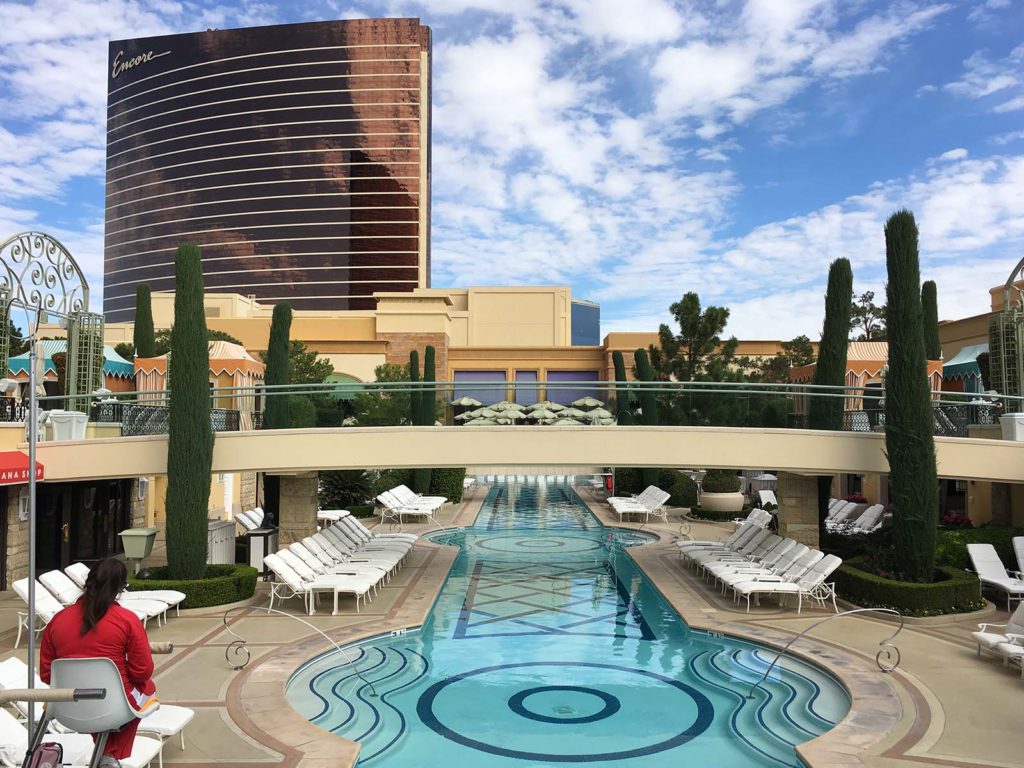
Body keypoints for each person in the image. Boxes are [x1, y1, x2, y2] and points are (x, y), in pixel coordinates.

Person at [39, 558, 158, 767]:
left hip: (66, 707)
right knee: (148, 689)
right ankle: (110, 755)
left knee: (122, 693)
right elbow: (143, 671)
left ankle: (107, 755)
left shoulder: (57, 620)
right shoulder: (127, 620)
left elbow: (47, 675)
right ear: (120, 588)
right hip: (114, 706)